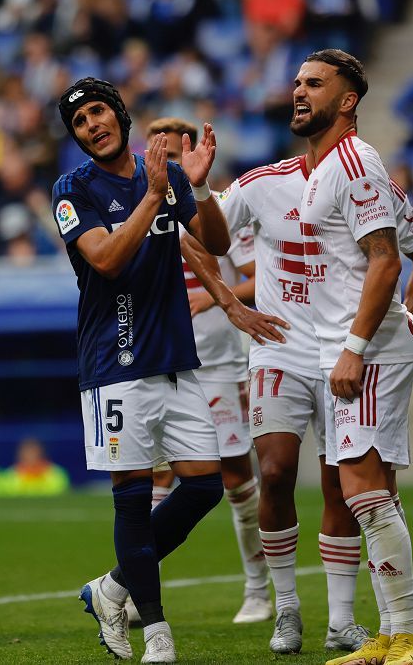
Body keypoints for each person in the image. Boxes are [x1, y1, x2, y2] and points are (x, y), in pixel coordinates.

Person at [52, 77, 287, 663]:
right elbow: (105, 260)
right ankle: (155, 630)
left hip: (177, 359)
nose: (92, 127)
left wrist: (199, 186)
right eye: (80, 123)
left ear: (120, 114)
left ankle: (111, 587)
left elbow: (212, 238)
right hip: (115, 362)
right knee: (133, 496)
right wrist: (155, 197)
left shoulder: (165, 175)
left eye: (98, 113)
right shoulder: (71, 188)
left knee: (205, 484)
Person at [184, 143, 413, 656]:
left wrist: (404, 316)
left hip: (344, 350)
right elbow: (195, 237)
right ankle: (286, 609)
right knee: (274, 471)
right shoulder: (261, 184)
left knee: (343, 484)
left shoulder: (368, 184)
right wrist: (232, 304)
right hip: (281, 350)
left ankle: (342, 621)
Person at [292, 49, 413, 665]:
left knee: (362, 492)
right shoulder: (330, 169)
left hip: (363, 354)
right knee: (374, 493)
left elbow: (389, 259)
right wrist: (404, 320)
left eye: (315, 84)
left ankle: (406, 636)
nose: (300, 91)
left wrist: (358, 345)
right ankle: (388, 633)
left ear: (347, 101)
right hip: (351, 350)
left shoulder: (355, 163)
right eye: (297, 82)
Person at [141, 116, 272, 627]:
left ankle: (258, 588)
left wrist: (212, 302)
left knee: (237, 474)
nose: (168, 162)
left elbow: (260, 281)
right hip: (157, 359)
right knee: (152, 475)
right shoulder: (137, 206)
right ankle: (136, 588)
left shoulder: (211, 209)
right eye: (160, 154)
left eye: (176, 154)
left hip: (216, 361)